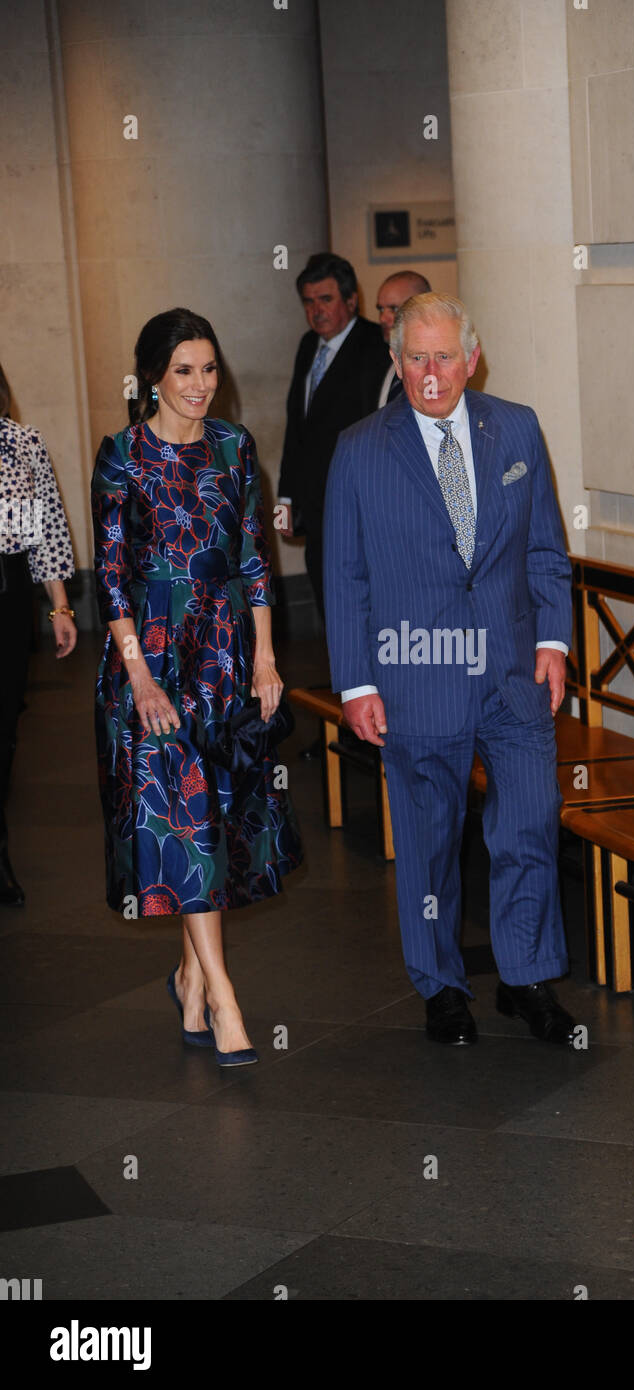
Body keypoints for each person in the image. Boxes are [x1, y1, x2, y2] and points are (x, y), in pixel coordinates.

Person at [324, 292, 576, 1047]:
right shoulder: (360, 449)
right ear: (396, 361)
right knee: (431, 843)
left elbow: (545, 551)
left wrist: (553, 643)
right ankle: (441, 988)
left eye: (444, 356)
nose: (430, 374)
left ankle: (527, 977)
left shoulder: (517, 429)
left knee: (528, 824)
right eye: (415, 357)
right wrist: (358, 683)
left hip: (512, 676)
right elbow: (344, 577)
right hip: (415, 675)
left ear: (472, 358)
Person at [91, 307, 302, 1067]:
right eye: (184, 370)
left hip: (222, 659)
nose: (200, 385)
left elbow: (252, 560)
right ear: (153, 374)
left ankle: (187, 972)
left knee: (208, 824)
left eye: (209, 368)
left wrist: (266, 657)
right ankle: (223, 995)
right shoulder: (121, 457)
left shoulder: (234, 448)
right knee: (183, 821)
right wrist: (139, 678)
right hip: (148, 661)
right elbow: (110, 580)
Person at [274, 253, 390, 617]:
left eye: (326, 299)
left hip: (357, 507)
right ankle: (340, 673)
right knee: (328, 603)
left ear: (351, 299)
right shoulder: (308, 345)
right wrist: (286, 500)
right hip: (314, 506)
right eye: (308, 302)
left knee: (362, 608)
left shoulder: (376, 347)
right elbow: (297, 428)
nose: (316, 310)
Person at [0, 362, 77, 906]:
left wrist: (60, 608)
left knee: (3, 727)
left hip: (7, 598)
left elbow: (45, 529)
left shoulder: (21, 444)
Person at [374, 270, 431, 406]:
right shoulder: (380, 359)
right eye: (381, 309)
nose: (383, 318)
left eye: (393, 309)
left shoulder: (437, 367)